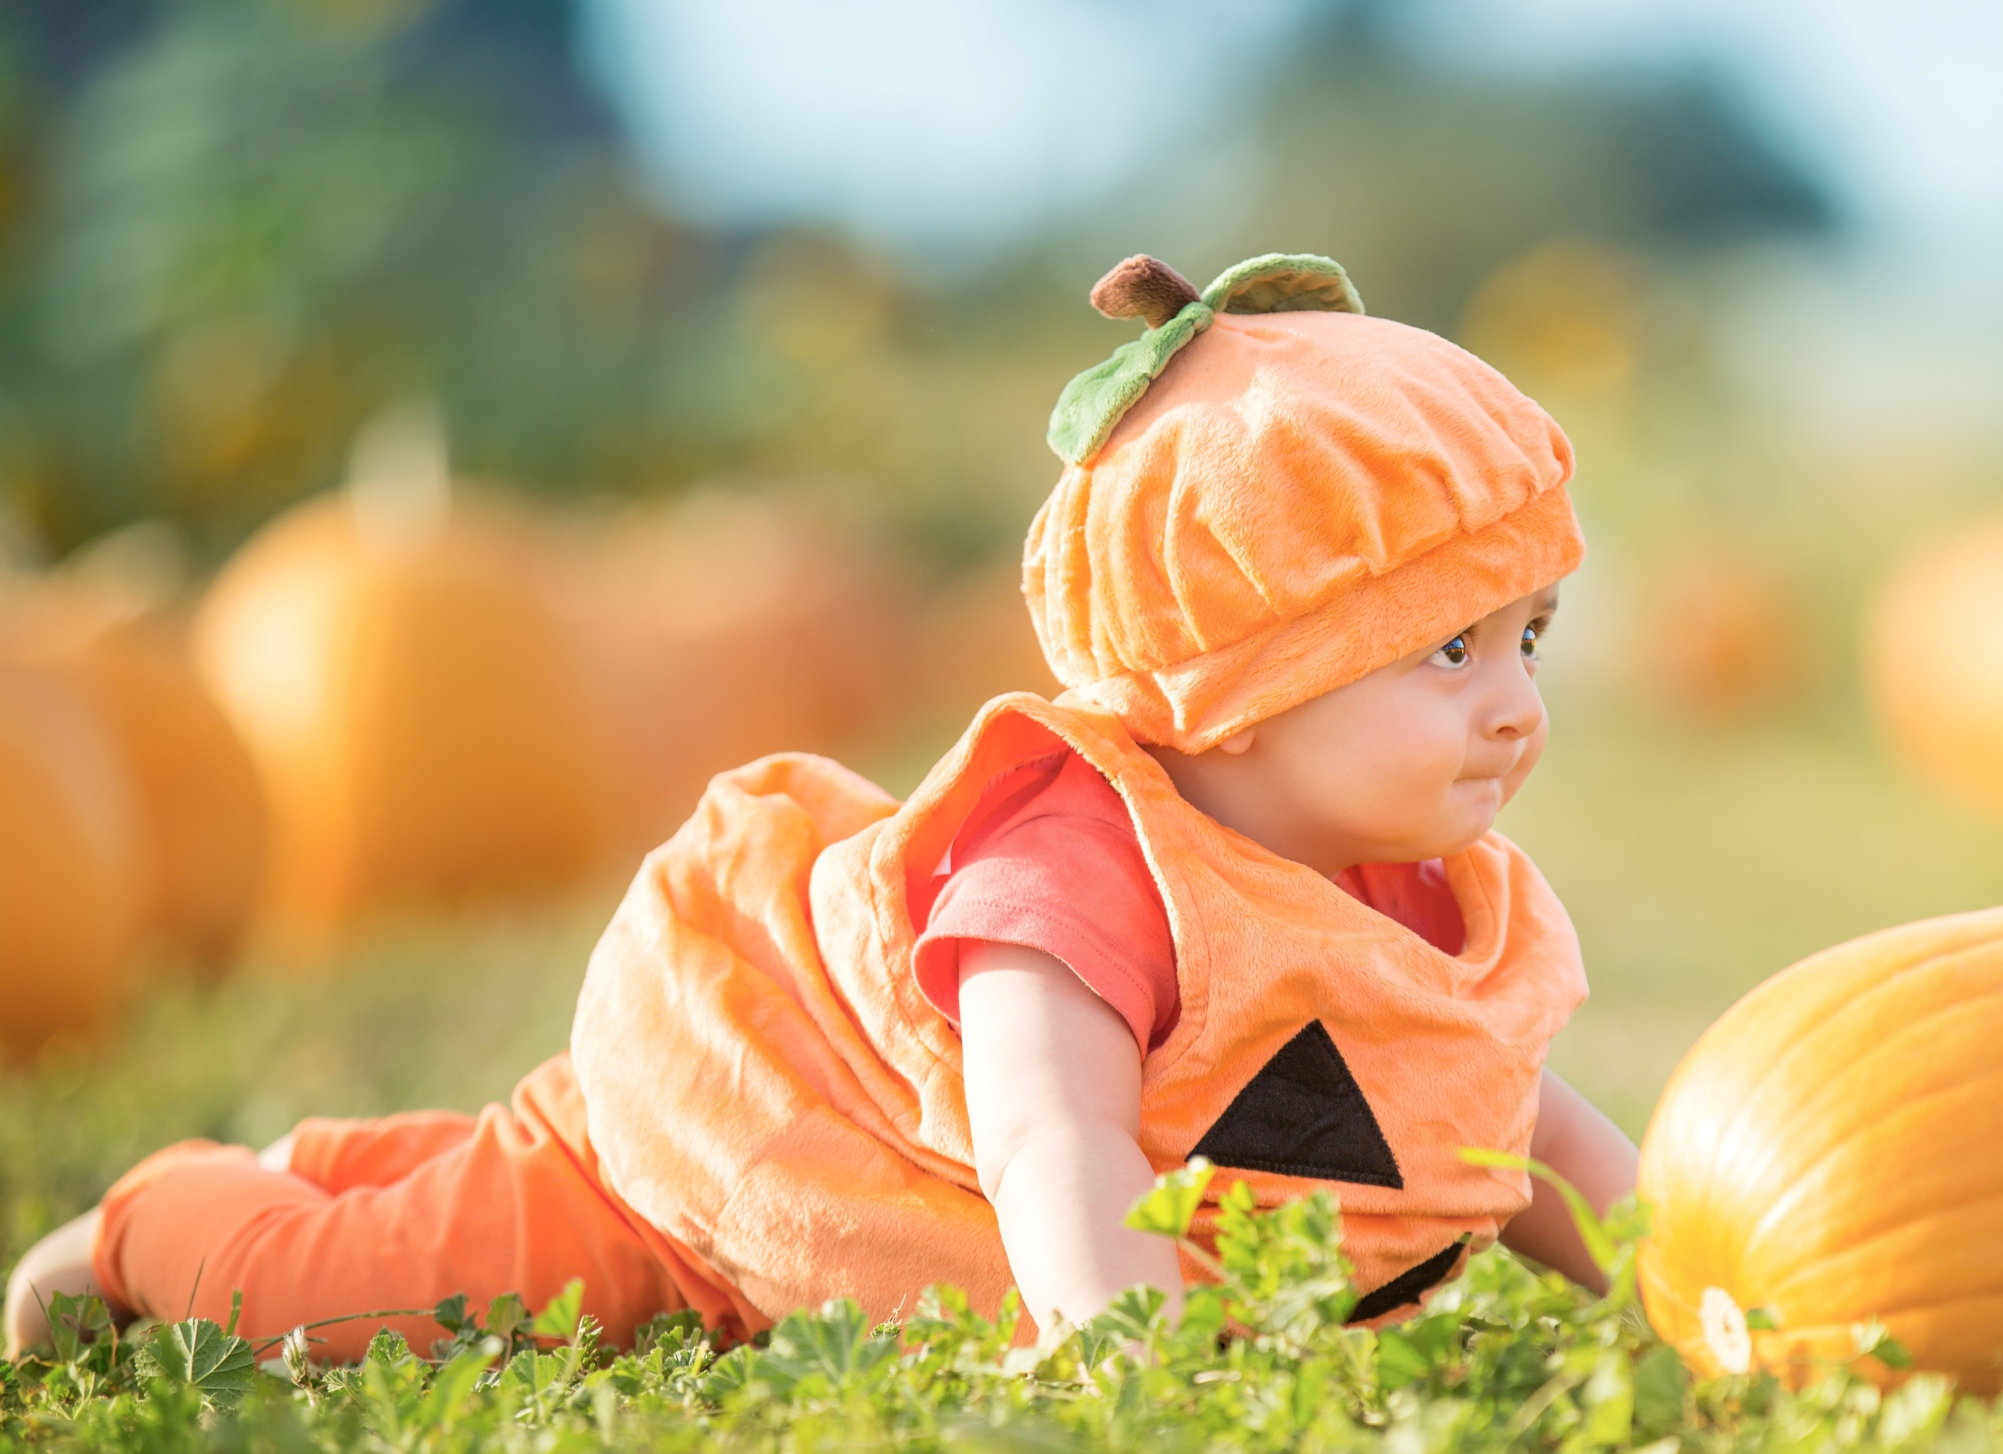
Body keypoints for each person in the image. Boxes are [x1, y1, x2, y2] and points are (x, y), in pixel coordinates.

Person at [4, 251, 1637, 1359]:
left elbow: (1517, 1120)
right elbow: (1052, 1136)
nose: (1515, 703)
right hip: (705, 1195)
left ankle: (335, 1157)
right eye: (1447, 649)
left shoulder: (1411, 891)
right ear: (1240, 673)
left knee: (448, 1188)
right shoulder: (1080, 875)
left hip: (818, 1236)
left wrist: (1683, 1276)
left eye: (1529, 639)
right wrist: (1130, 1356)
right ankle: (161, 1222)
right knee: (353, 1303)